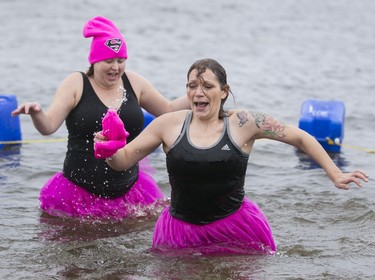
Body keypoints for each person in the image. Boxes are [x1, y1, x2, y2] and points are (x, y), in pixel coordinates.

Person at [94, 58, 369, 255]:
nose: (198, 92)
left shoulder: (244, 123)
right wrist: (108, 150)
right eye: (192, 86)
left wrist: (335, 173)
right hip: (180, 228)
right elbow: (124, 160)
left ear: (224, 92)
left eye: (207, 86)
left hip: (235, 226)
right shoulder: (168, 124)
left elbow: (299, 136)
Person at [11, 16, 190, 220]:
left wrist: (196, 94)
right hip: (78, 192)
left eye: (120, 61)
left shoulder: (134, 82)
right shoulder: (76, 83)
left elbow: (167, 109)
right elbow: (49, 126)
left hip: (130, 190)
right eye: (109, 61)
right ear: (95, 60)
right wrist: (37, 113)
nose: (115, 67)